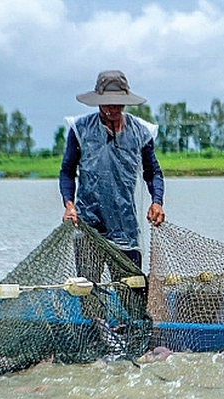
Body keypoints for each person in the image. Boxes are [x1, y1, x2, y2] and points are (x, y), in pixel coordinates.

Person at [59, 70, 165, 270]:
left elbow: (153, 173)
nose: (113, 108)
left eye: (118, 103)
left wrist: (157, 201)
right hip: (88, 225)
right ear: (98, 101)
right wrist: (69, 204)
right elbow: (67, 171)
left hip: (126, 226)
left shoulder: (140, 132)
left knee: (131, 289)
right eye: (108, 102)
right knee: (88, 290)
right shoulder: (80, 129)